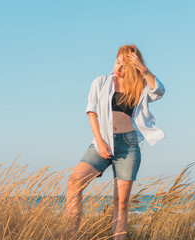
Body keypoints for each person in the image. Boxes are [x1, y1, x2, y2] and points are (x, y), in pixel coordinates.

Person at [66, 44, 165, 240]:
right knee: (74, 182)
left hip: (128, 146)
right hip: (101, 143)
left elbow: (159, 90)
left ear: (134, 67)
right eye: (117, 62)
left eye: (125, 66)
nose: (118, 68)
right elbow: (91, 112)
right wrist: (101, 143)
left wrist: (142, 68)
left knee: (121, 203)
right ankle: (71, 236)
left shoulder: (139, 87)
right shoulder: (101, 82)